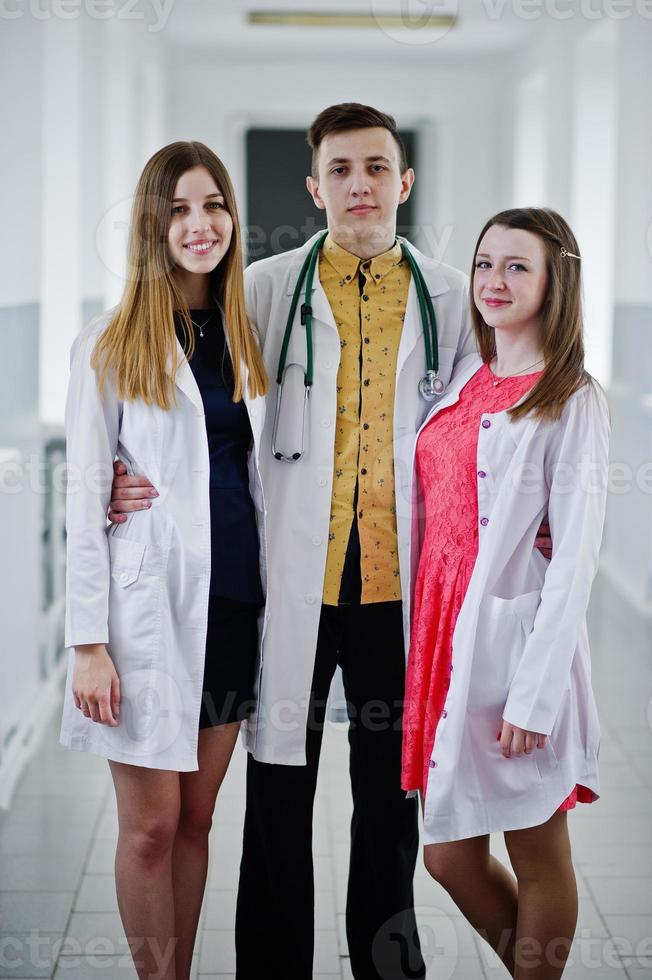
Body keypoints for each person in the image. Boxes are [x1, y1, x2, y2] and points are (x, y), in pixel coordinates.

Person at [106, 105, 550, 980]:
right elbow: (197, 412)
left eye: (377, 168)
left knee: (388, 809)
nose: (360, 184)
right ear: (314, 188)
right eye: (340, 169)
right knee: (277, 799)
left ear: (403, 182)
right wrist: (115, 476)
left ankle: (390, 969)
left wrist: (539, 503)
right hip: (291, 586)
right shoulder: (263, 289)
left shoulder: (453, 300)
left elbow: (489, 423)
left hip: (398, 585)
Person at [60, 141, 268, 980]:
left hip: (236, 605)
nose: (200, 224)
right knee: (149, 827)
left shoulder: (250, 336)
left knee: (197, 823)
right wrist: (87, 642)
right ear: (153, 225)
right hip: (143, 617)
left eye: (213, 205)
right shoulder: (108, 344)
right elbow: (80, 496)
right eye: (179, 209)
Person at [402, 207, 609, 980]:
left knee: (535, 844)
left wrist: (535, 697)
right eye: (486, 262)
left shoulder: (571, 398)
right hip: (444, 633)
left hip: (515, 644)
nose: (493, 279)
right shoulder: (465, 376)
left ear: (557, 279)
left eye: (517, 266)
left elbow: (575, 559)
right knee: (449, 854)